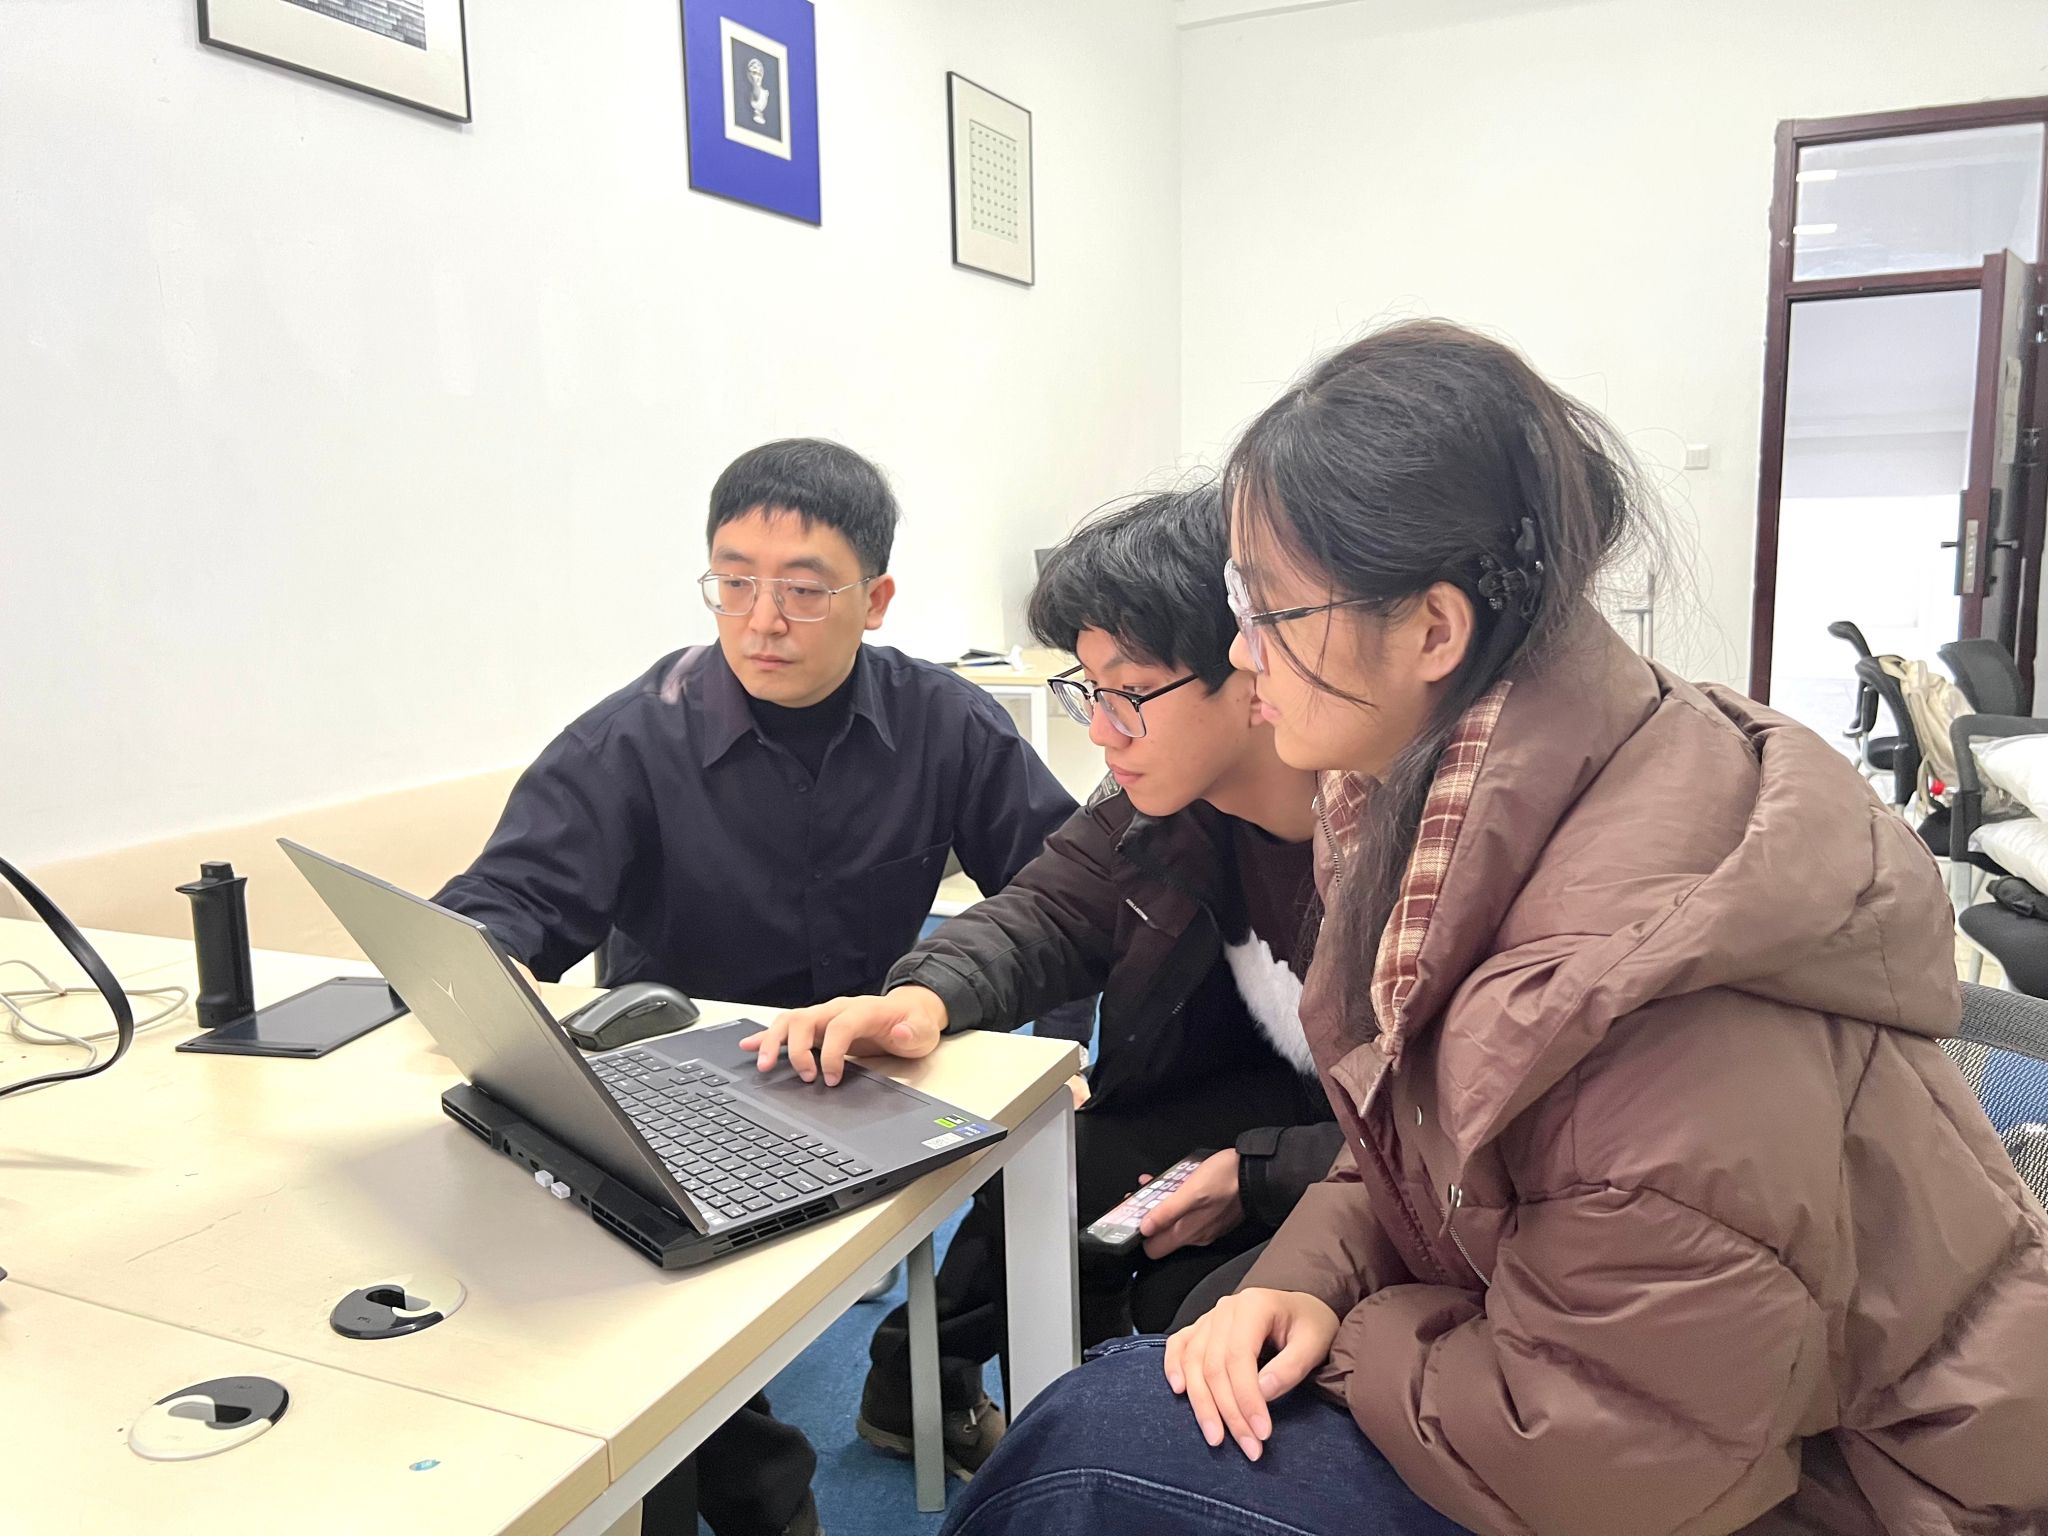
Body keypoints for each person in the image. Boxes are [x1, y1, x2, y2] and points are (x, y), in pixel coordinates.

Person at [939, 321, 2048, 1536]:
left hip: (1859, 1488)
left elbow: (1613, 1454)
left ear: (1433, 629)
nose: (1244, 654)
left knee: (1097, 1456)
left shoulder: (1636, 971)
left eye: (1266, 612)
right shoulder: (1441, 799)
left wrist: (1344, 1330)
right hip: (1655, 1387)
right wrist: (1307, 1277)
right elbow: (1425, 1148)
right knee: (1120, 1391)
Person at [436, 438, 1081, 1536]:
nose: (761, 621)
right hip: (683, 1097)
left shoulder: (946, 724)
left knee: (1064, 1153)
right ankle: (766, 1496)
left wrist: (1057, 1060)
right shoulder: (633, 738)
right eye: (733, 583)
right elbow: (508, 903)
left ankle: (914, 1377)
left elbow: (1062, 892)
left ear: (875, 598)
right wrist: (468, 963)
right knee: (615, 1251)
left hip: (878, 1072)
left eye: (802, 589)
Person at [743, 483, 1340, 1478]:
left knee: (1198, 1326)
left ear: (1253, 666)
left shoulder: (1386, 840)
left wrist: (1265, 1172)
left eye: (1128, 692)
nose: (1101, 731)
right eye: (1087, 690)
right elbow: (1046, 911)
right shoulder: (1161, 809)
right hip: (1243, 1104)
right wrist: (921, 997)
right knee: (1050, 1161)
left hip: (1369, 1160)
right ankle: (955, 1399)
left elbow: (1448, 1138)